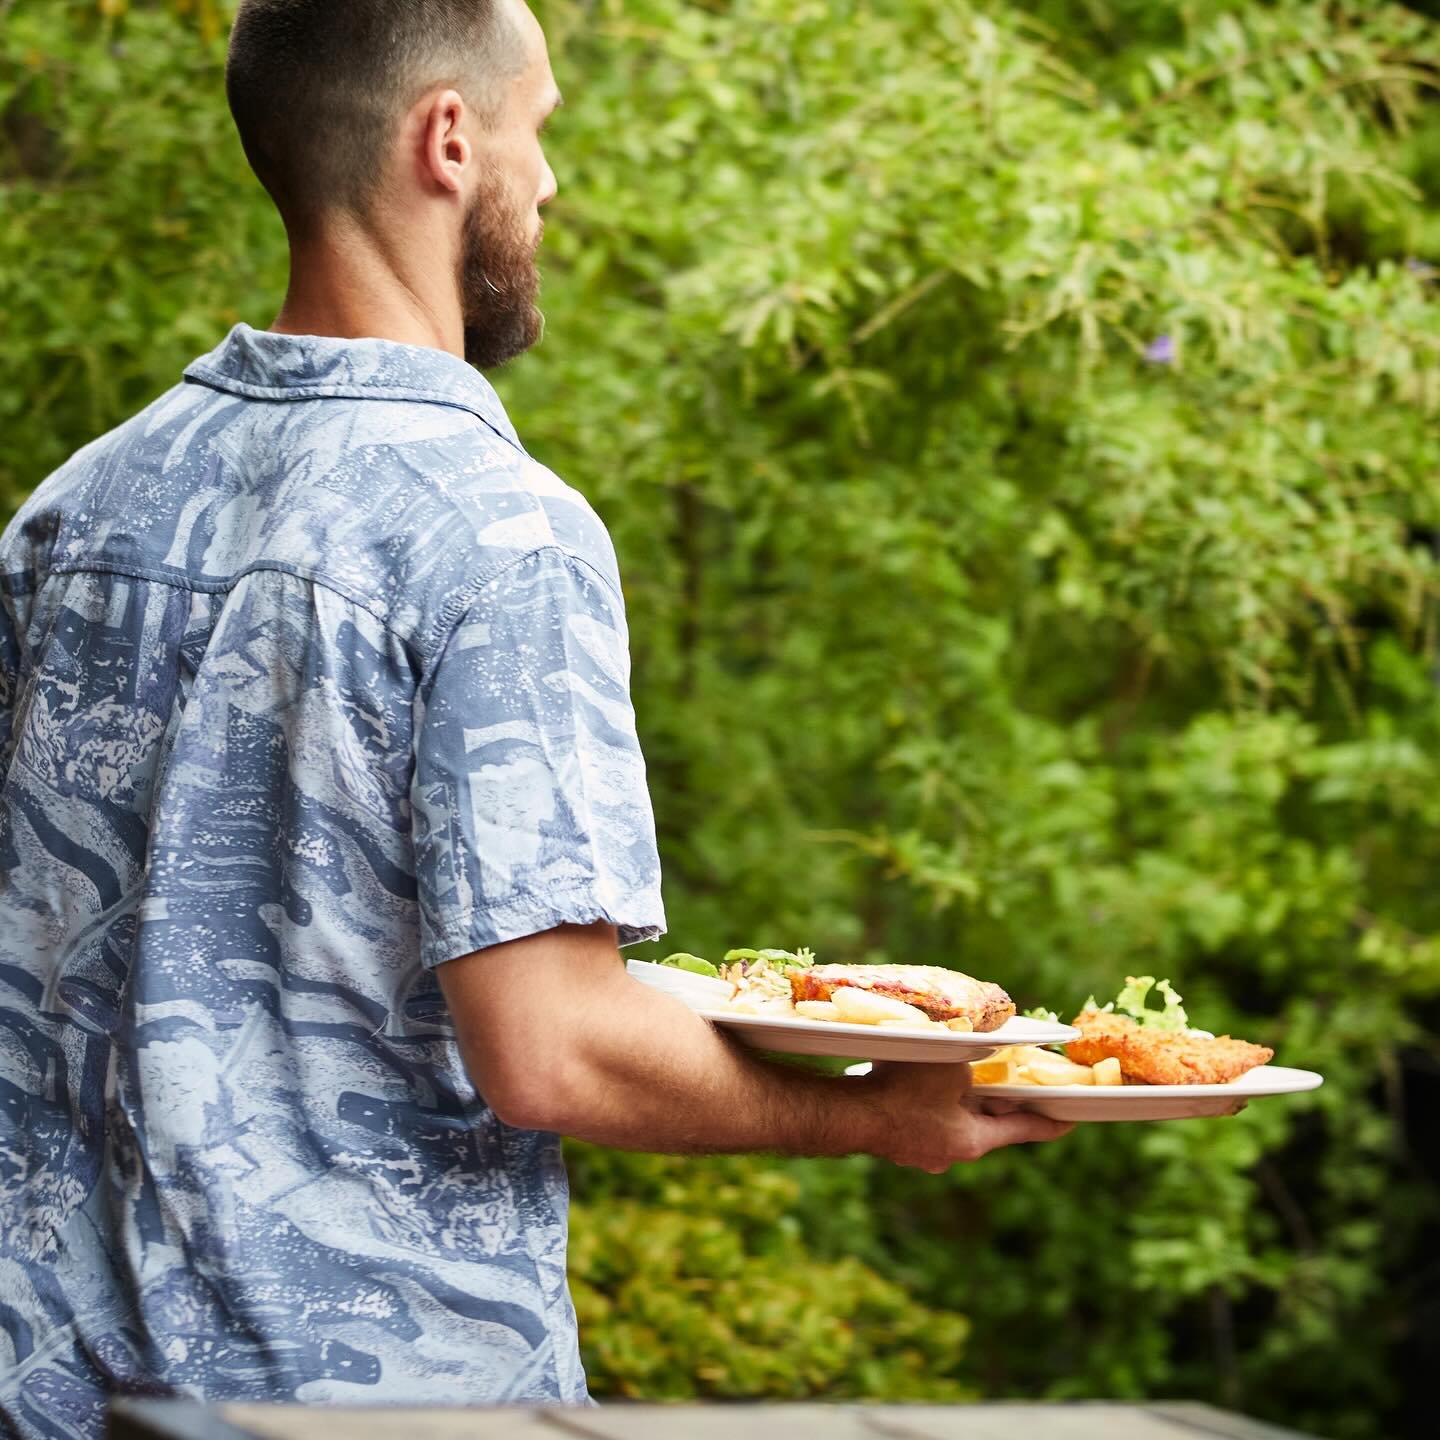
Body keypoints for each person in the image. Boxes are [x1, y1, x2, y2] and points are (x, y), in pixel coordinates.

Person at [0, 0, 1070, 1430]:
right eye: (540, 127)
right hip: (373, 1405)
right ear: (451, 138)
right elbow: (552, 1044)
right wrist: (874, 1112)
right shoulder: (500, 537)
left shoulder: (71, 512)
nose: (550, 180)